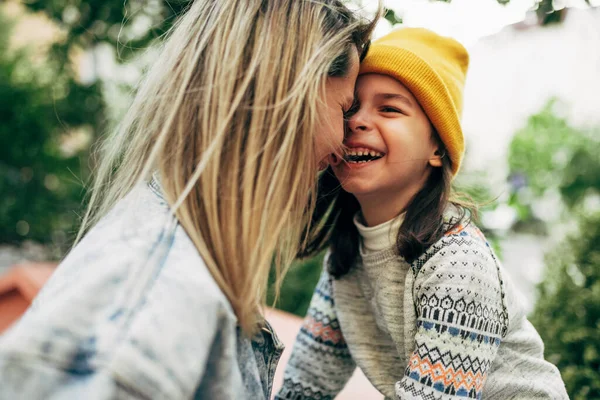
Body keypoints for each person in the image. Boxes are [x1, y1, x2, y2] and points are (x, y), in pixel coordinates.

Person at [0, 1, 377, 398]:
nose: (343, 143)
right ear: (285, 93)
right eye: (343, 108)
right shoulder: (153, 297)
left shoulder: (186, 267)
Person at [276, 28, 569, 400]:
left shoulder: (458, 263)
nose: (356, 121)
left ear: (437, 147)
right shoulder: (347, 253)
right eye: (349, 108)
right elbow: (308, 380)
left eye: (389, 108)